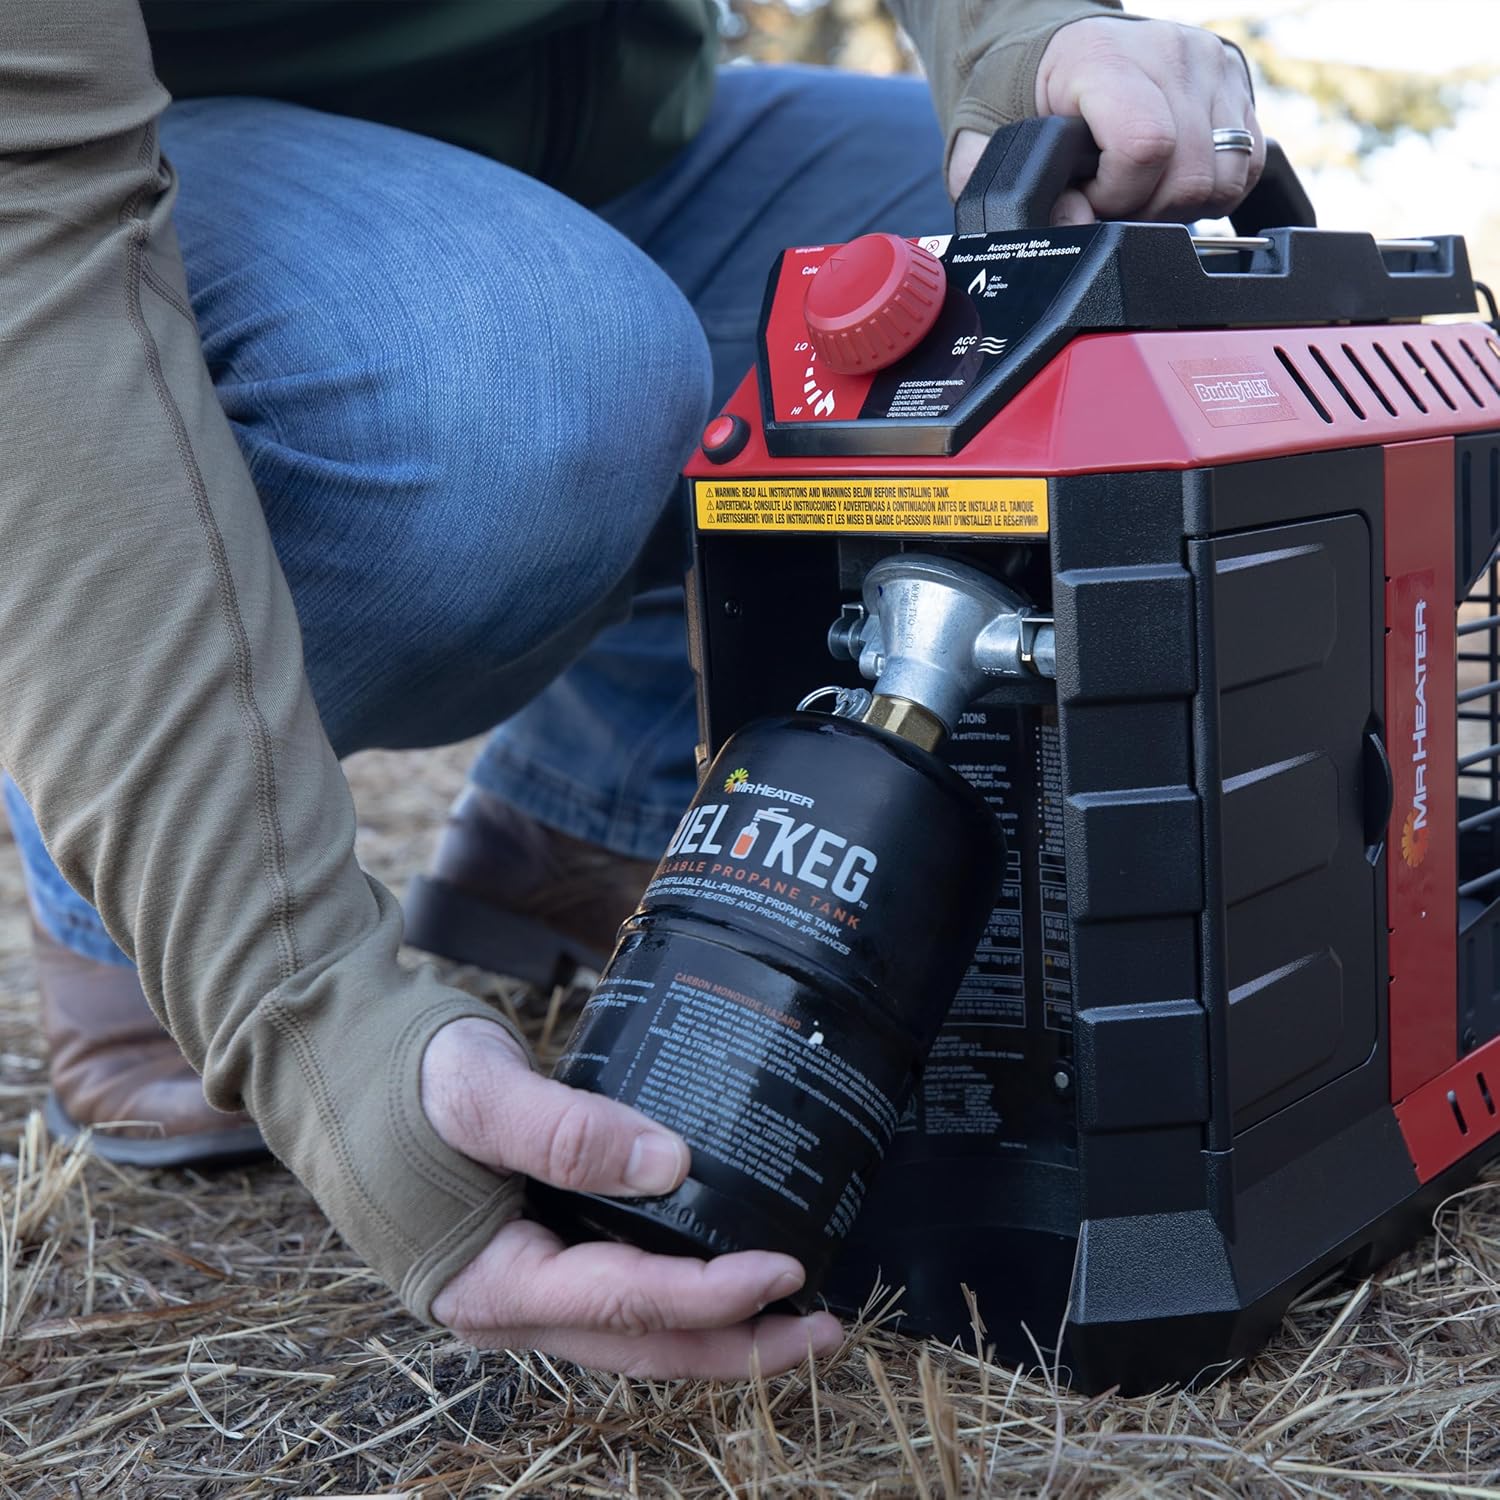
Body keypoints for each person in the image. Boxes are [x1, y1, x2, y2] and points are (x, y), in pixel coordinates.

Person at [0, 1, 1263, 1379]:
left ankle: (591, 803)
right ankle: (106, 897)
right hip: (134, 171)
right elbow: (29, 257)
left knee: (1112, 223)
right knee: (526, 397)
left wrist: (1031, 42)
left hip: (618, 138)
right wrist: (297, 1002)